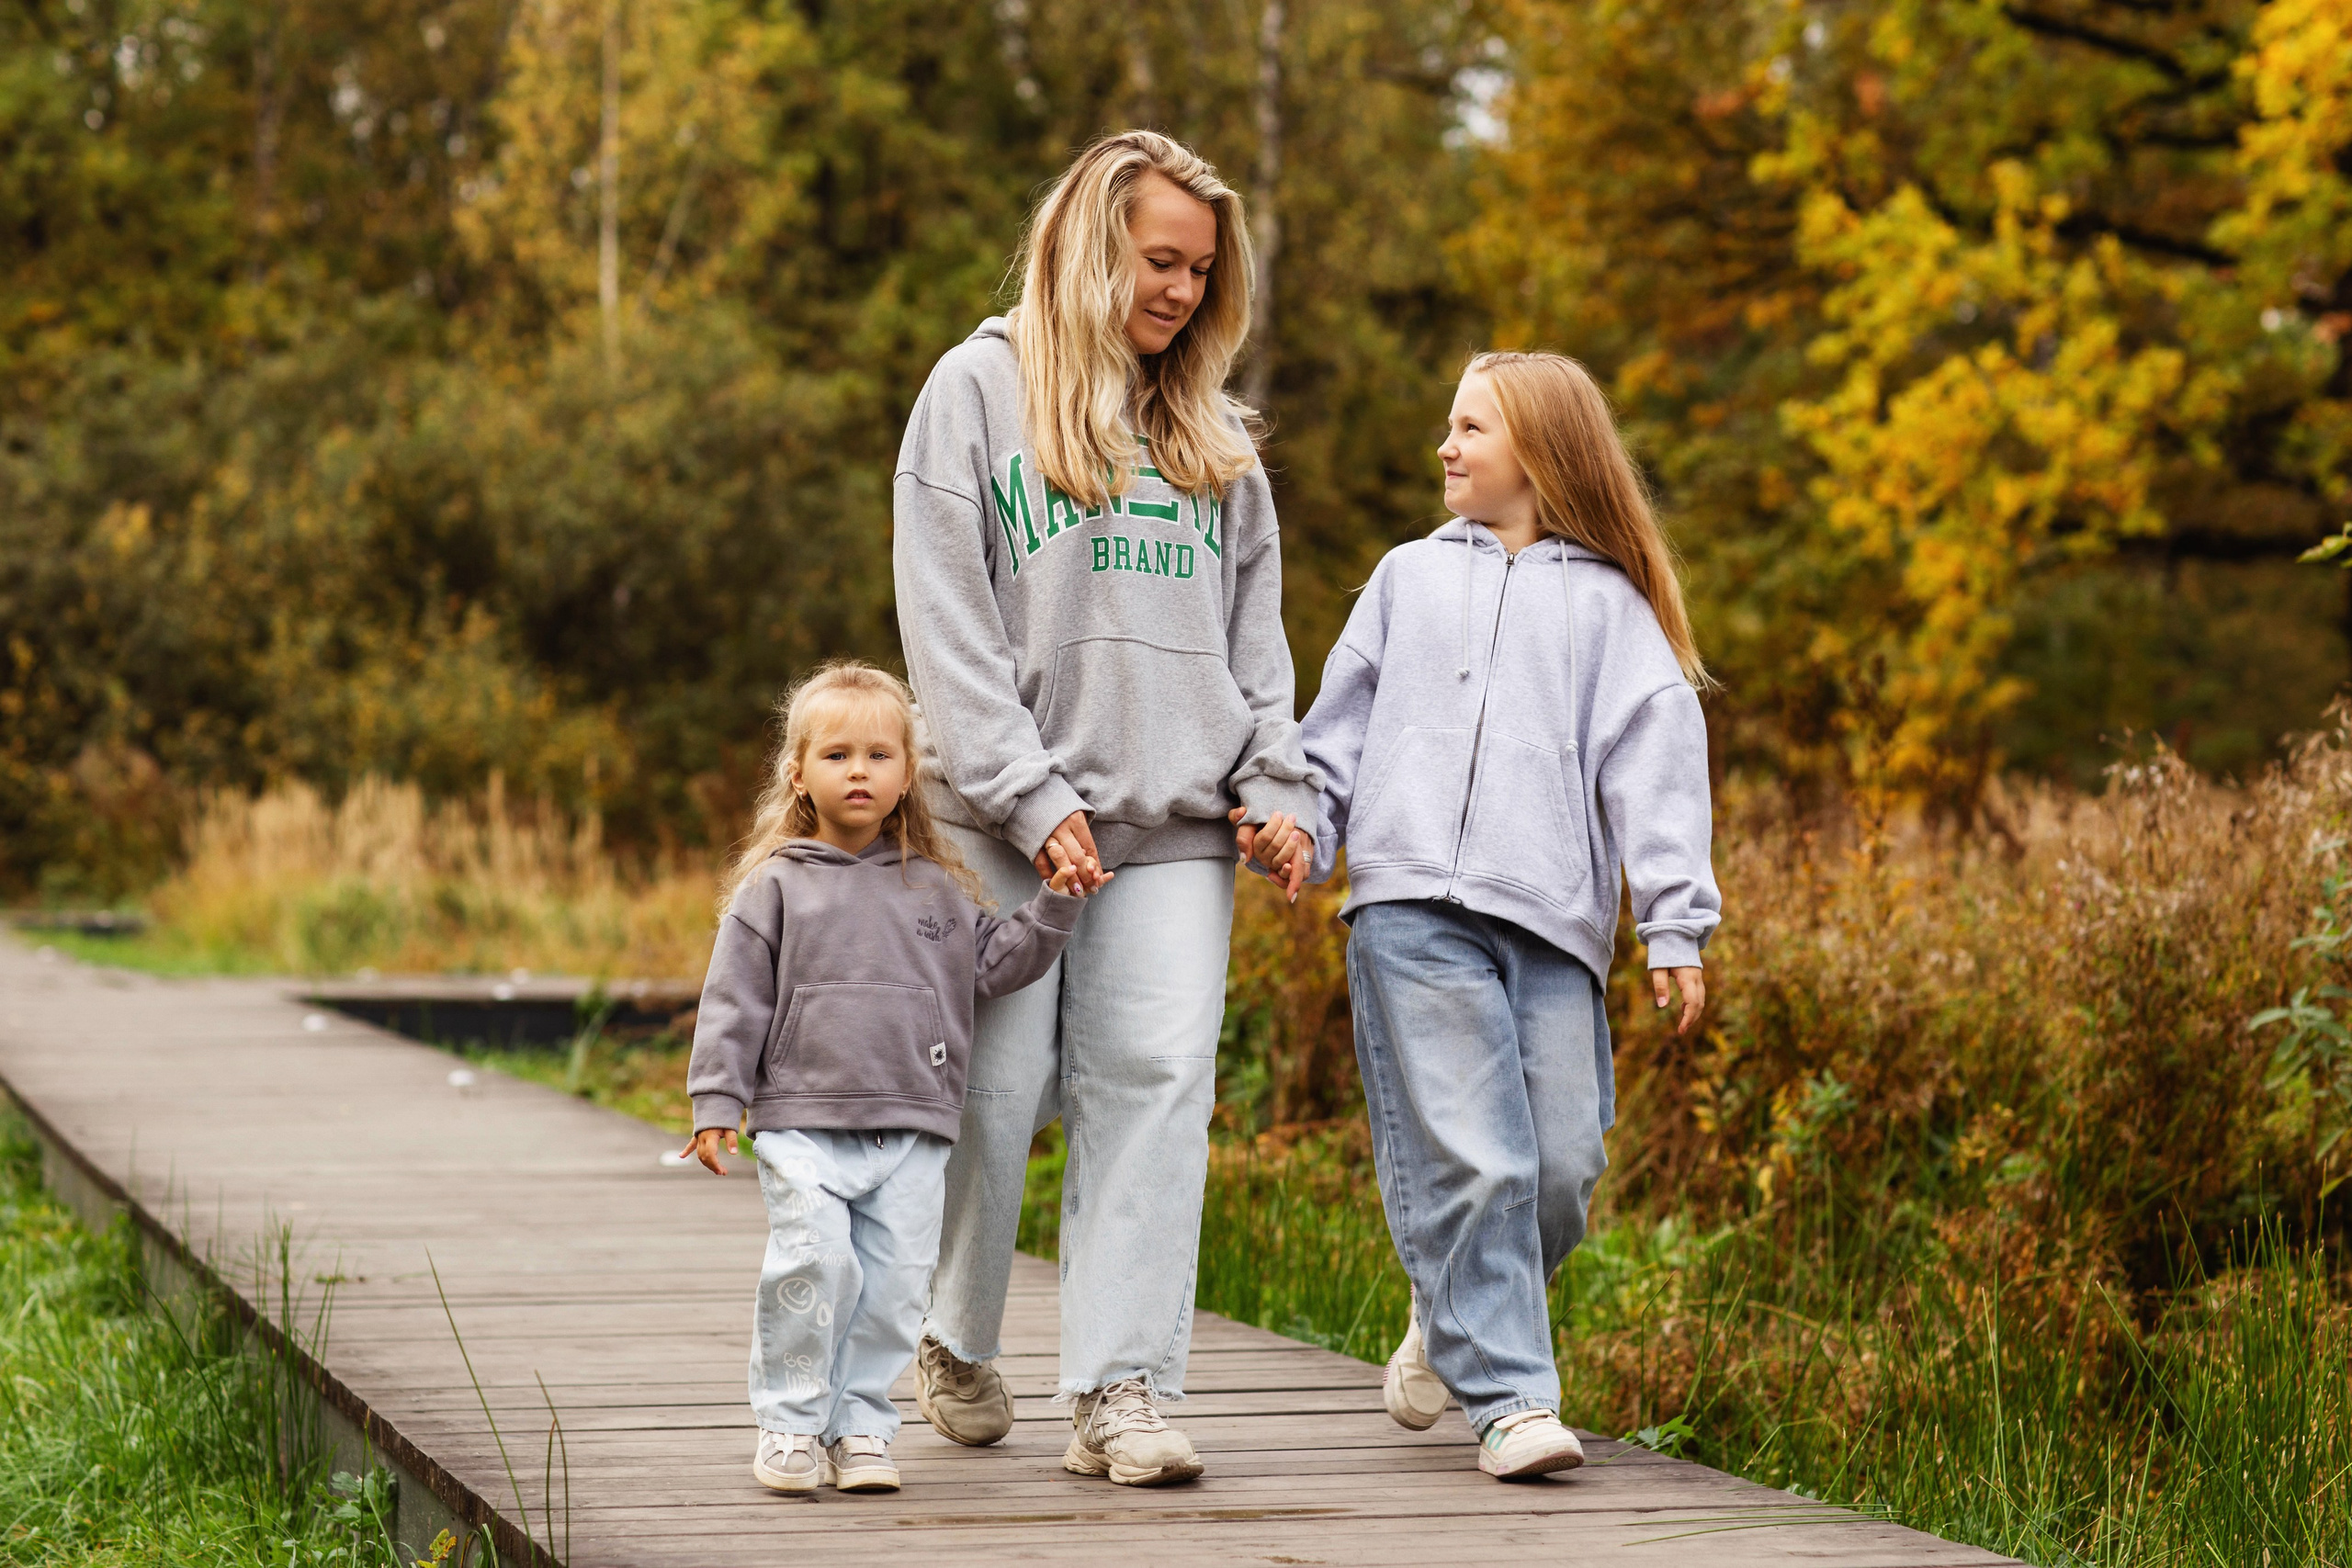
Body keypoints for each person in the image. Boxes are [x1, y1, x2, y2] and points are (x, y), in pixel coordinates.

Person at [890, 130, 1317, 1487]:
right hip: (996, 819)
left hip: (1174, 825)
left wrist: (1276, 782)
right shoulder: (974, 391)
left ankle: (1120, 1389)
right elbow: (946, 622)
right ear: (1089, 245)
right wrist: (1024, 792)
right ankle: (953, 1334)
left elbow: (1257, 647)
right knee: (995, 1090)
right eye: (1159, 260)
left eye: (1201, 270)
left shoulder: (1213, 435)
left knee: (1155, 1085)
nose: (1182, 290)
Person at [1275, 351, 1720, 1479]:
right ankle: (1515, 1405)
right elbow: (1335, 733)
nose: (1447, 445)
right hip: (1408, 904)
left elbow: (1657, 767)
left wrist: (1673, 923)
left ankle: (1451, 1314)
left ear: (1541, 450)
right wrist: (1304, 829)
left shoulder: (1609, 608)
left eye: (1471, 427)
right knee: (1477, 1161)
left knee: (1560, 1168)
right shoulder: (1406, 579)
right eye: (1449, 424)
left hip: (1553, 921)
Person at [678, 661, 1094, 1495]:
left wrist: (1056, 902)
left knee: (896, 1287)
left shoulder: (932, 887)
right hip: (802, 1122)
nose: (859, 771)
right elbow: (732, 1001)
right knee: (813, 1264)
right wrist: (717, 1101)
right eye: (836, 755)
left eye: (878, 755)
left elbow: (996, 962)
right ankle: (792, 1423)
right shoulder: (773, 886)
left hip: (912, 1129)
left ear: (909, 775)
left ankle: (860, 1424)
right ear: (799, 774)